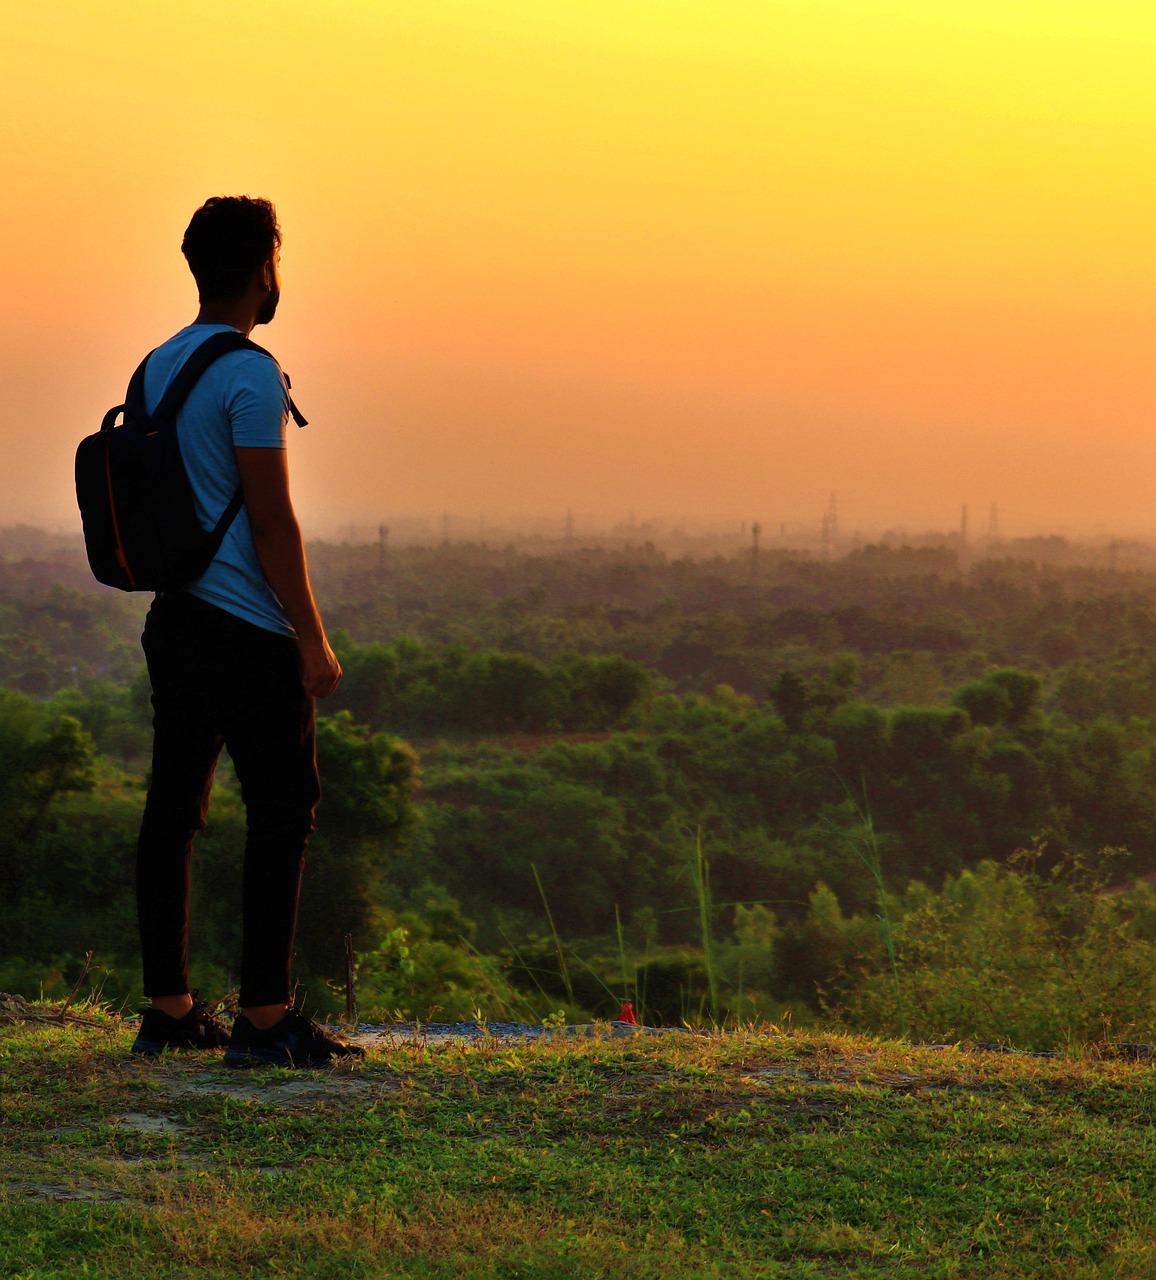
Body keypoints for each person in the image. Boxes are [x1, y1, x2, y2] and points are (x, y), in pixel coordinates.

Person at [128, 196, 364, 1068]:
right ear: (266, 263)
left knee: (173, 809)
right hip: (245, 628)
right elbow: (273, 520)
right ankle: (266, 1020)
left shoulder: (156, 366)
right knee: (282, 815)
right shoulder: (251, 374)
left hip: (174, 619)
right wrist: (312, 638)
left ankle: (170, 1009)